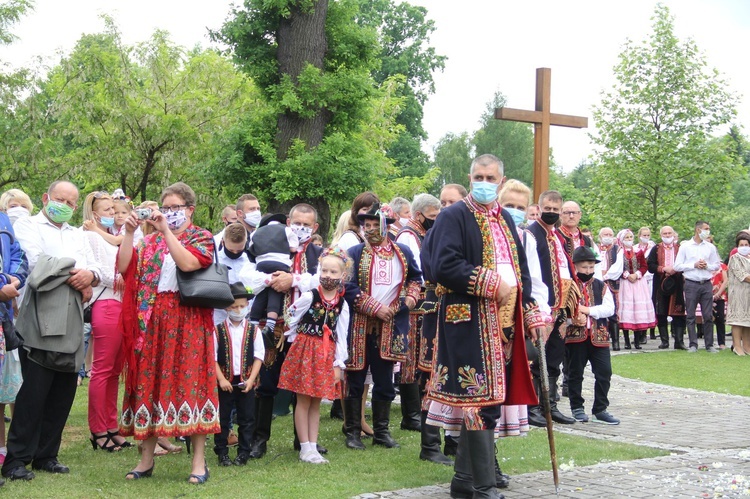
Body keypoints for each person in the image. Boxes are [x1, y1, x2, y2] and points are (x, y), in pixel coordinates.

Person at [422, 154, 544, 499]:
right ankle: (483, 487)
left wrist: (530, 310)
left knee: (490, 402)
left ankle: (463, 483)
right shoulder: (453, 215)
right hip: (468, 320)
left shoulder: (505, 218)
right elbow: (443, 265)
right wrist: (491, 283)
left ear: (501, 182)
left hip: (504, 324)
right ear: (470, 176)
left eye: (491, 178)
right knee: (477, 400)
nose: (485, 183)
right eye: (479, 176)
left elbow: (520, 271)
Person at [118, 181, 219, 484]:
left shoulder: (201, 237)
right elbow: (124, 268)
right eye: (166, 208)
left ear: (191, 209)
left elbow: (188, 264)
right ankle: (146, 460)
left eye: (176, 208)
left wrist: (166, 232)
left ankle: (199, 463)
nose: (170, 213)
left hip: (189, 319)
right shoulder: (147, 242)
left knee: (193, 383)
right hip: (152, 320)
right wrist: (128, 233)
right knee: (149, 384)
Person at [3, 181, 99, 482]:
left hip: (72, 317)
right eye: (60, 199)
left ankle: (47, 455)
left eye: (72, 203)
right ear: (46, 198)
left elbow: (94, 269)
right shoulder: (30, 226)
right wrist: (77, 271)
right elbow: (36, 265)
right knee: (32, 394)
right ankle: (17, 459)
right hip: (39, 316)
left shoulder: (78, 234)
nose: (66, 206)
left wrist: (90, 275)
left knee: (62, 391)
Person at [241, 203, 324, 460]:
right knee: (265, 383)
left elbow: (323, 280)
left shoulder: (319, 252)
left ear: (315, 227)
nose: (300, 229)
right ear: (288, 222)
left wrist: (293, 279)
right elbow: (246, 278)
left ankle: (304, 442)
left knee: (303, 386)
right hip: (272, 329)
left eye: (306, 225)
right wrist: (269, 280)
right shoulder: (268, 243)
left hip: (305, 331)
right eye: (297, 223)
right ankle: (259, 439)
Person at [342, 203, 422, 451]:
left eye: (376, 225)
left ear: (386, 226)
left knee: (385, 380)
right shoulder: (355, 253)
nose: (371, 230)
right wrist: (373, 306)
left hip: (392, 325)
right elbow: (347, 286)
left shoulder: (403, 252)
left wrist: (409, 299)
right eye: (367, 225)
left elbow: (415, 280)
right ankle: (353, 431)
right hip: (360, 324)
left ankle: (382, 431)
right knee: (355, 377)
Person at [279, 248, 351, 464]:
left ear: (342, 276)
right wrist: (295, 335)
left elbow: (342, 334)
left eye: (333, 272)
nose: (328, 276)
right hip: (306, 351)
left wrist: (339, 363)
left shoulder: (342, 304)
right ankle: (304, 447)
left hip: (325, 354)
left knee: (316, 400)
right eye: (325, 271)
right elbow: (291, 314)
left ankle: (313, 444)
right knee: (303, 399)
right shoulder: (311, 296)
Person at [395, 193, 452, 465]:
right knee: (427, 372)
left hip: (441, 312)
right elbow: (421, 272)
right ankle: (426, 437)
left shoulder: (437, 235)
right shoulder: (415, 236)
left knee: (446, 375)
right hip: (426, 311)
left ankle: (451, 439)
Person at [498, 180, 551, 439]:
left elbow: (534, 283)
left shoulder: (525, 238)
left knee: (507, 382)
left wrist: (539, 316)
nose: (514, 211)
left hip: (513, 321)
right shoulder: (485, 229)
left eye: (520, 207)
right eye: (509, 205)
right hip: (483, 317)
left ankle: (490, 452)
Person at [80, 191, 131, 452]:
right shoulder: (89, 236)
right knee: (102, 370)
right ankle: (98, 429)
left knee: (114, 371)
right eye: (107, 209)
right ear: (95, 213)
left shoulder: (119, 235)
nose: (112, 213)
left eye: (114, 208)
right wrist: (121, 277)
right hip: (107, 303)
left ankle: (112, 426)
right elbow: (101, 272)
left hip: (124, 304)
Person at [525, 190, 578, 427]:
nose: (552, 213)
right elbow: (531, 275)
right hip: (541, 307)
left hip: (559, 306)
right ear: (539, 206)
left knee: (555, 357)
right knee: (538, 358)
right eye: (548, 208)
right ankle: (533, 406)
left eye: (556, 210)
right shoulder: (531, 234)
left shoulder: (557, 236)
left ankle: (550, 405)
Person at [566, 246, 619, 425]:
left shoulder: (601, 285)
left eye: (590, 267)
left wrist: (588, 310)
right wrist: (571, 320)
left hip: (599, 336)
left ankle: (600, 409)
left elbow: (609, 308)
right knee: (575, 373)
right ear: (575, 267)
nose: (588, 271)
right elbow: (560, 310)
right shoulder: (568, 285)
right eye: (584, 267)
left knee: (604, 372)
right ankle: (577, 407)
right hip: (575, 336)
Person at [213, 282, 264, 467]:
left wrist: (251, 380)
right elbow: (213, 358)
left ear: (247, 306)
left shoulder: (253, 330)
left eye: (242, 306)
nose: (238, 309)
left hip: (246, 381)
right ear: (227, 307)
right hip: (225, 381)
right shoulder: (217, 330)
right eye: (234, 306)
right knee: (223, 418)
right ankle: (222, 452)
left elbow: (259, 356)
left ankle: (244, 451)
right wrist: (221, 379)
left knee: (247, 418)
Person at [0, 207, 27, 475]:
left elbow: (18, 254)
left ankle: (4, 452)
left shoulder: (3, 219)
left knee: (2, 391)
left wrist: (14, 278)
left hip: (3, 317)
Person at [248, 213, 299, 347]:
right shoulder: (286, 230)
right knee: (276, 291)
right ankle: (270, 324)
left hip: (262, 264)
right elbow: (294, 246)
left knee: (261, 293)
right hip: (280, 263)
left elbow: (251, 248)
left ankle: (253, 322)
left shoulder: (256, 233)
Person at [673, 221, 722, 353]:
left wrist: (707, 266)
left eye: (709, 229)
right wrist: (693, 265)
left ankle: (709, 344)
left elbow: (717, 265)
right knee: (690, 315)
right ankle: (693, 344)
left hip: (706, 283)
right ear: (698, 230)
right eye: (706, 229)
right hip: (691, 283)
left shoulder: (710, 247)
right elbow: (677, 266)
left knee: (707, 315)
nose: (708, 231)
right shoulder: (686, 247)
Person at [647, 226, 687, 350]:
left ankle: (679, 341)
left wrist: (675, 269)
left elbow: (686, 263)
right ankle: (664, 341)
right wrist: (663, 268)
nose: (667, 235)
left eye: (669, 233)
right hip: (660, 283)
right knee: (661, 311)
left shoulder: (680, 248)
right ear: (661, 235)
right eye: (665, 233)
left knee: (679, 311)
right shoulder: (656, 249)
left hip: (678, 282)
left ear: (674, 234)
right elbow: (650, 265)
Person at [616, 229, 656, 349]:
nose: (629, 240)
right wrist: (627, 275)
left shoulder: (638, 252)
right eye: (626, 238)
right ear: (622, 240)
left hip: (638, 284)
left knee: (637, 309)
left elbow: (644, 266)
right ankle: (627, 341)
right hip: (625, 284)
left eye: (630, 237)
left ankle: (637, 341)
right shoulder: (619, 253)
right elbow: (617, 267)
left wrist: (637, 274)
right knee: (627, 310)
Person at [213, 223, 252, 326]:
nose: (235, 252)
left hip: (245, 317)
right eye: (231, 250)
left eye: (239, 250)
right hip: (219, 318)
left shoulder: (250, 262)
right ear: (223, 242)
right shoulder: (214, 261)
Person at [598, 227, 623, 351]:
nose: (607, 236)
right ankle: (600, 338)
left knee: (613, 313)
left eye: (610, 234)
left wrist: (605, 276)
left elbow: (618, 267)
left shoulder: (618, 249)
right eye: (605, 234)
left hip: (612, 284)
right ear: (600, 236)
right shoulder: (595, 248)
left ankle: (616, 342)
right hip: (596, 284)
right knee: (597, 310)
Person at [726, 231, 750, 355]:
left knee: (747, 321)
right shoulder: (735, 258)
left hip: (749, 295)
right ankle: (737, 346)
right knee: (738, 321)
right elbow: (742, 275)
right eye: (741, 244)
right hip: (738, 293)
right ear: (737, 246)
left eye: (746, 244)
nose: (744, 246)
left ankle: (747, 346)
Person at [636, 227, 656, 343]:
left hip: (650, 278)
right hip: (639, 278)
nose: (646, 237)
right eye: (644, 235)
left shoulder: (653, 248)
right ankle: (640, 332)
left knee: (649, 303)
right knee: (639, 305)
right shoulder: (635, 248)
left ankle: (648, 332)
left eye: (648, 235)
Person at [711, 249, 728, 350]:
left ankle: (721, 342)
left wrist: (718, 293)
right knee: (708, 319)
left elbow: (725, 280)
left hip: (720, 295)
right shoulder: (705, 266)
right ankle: (709, 342)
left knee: (720, 319)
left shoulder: (722, 266)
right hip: (706, 295)